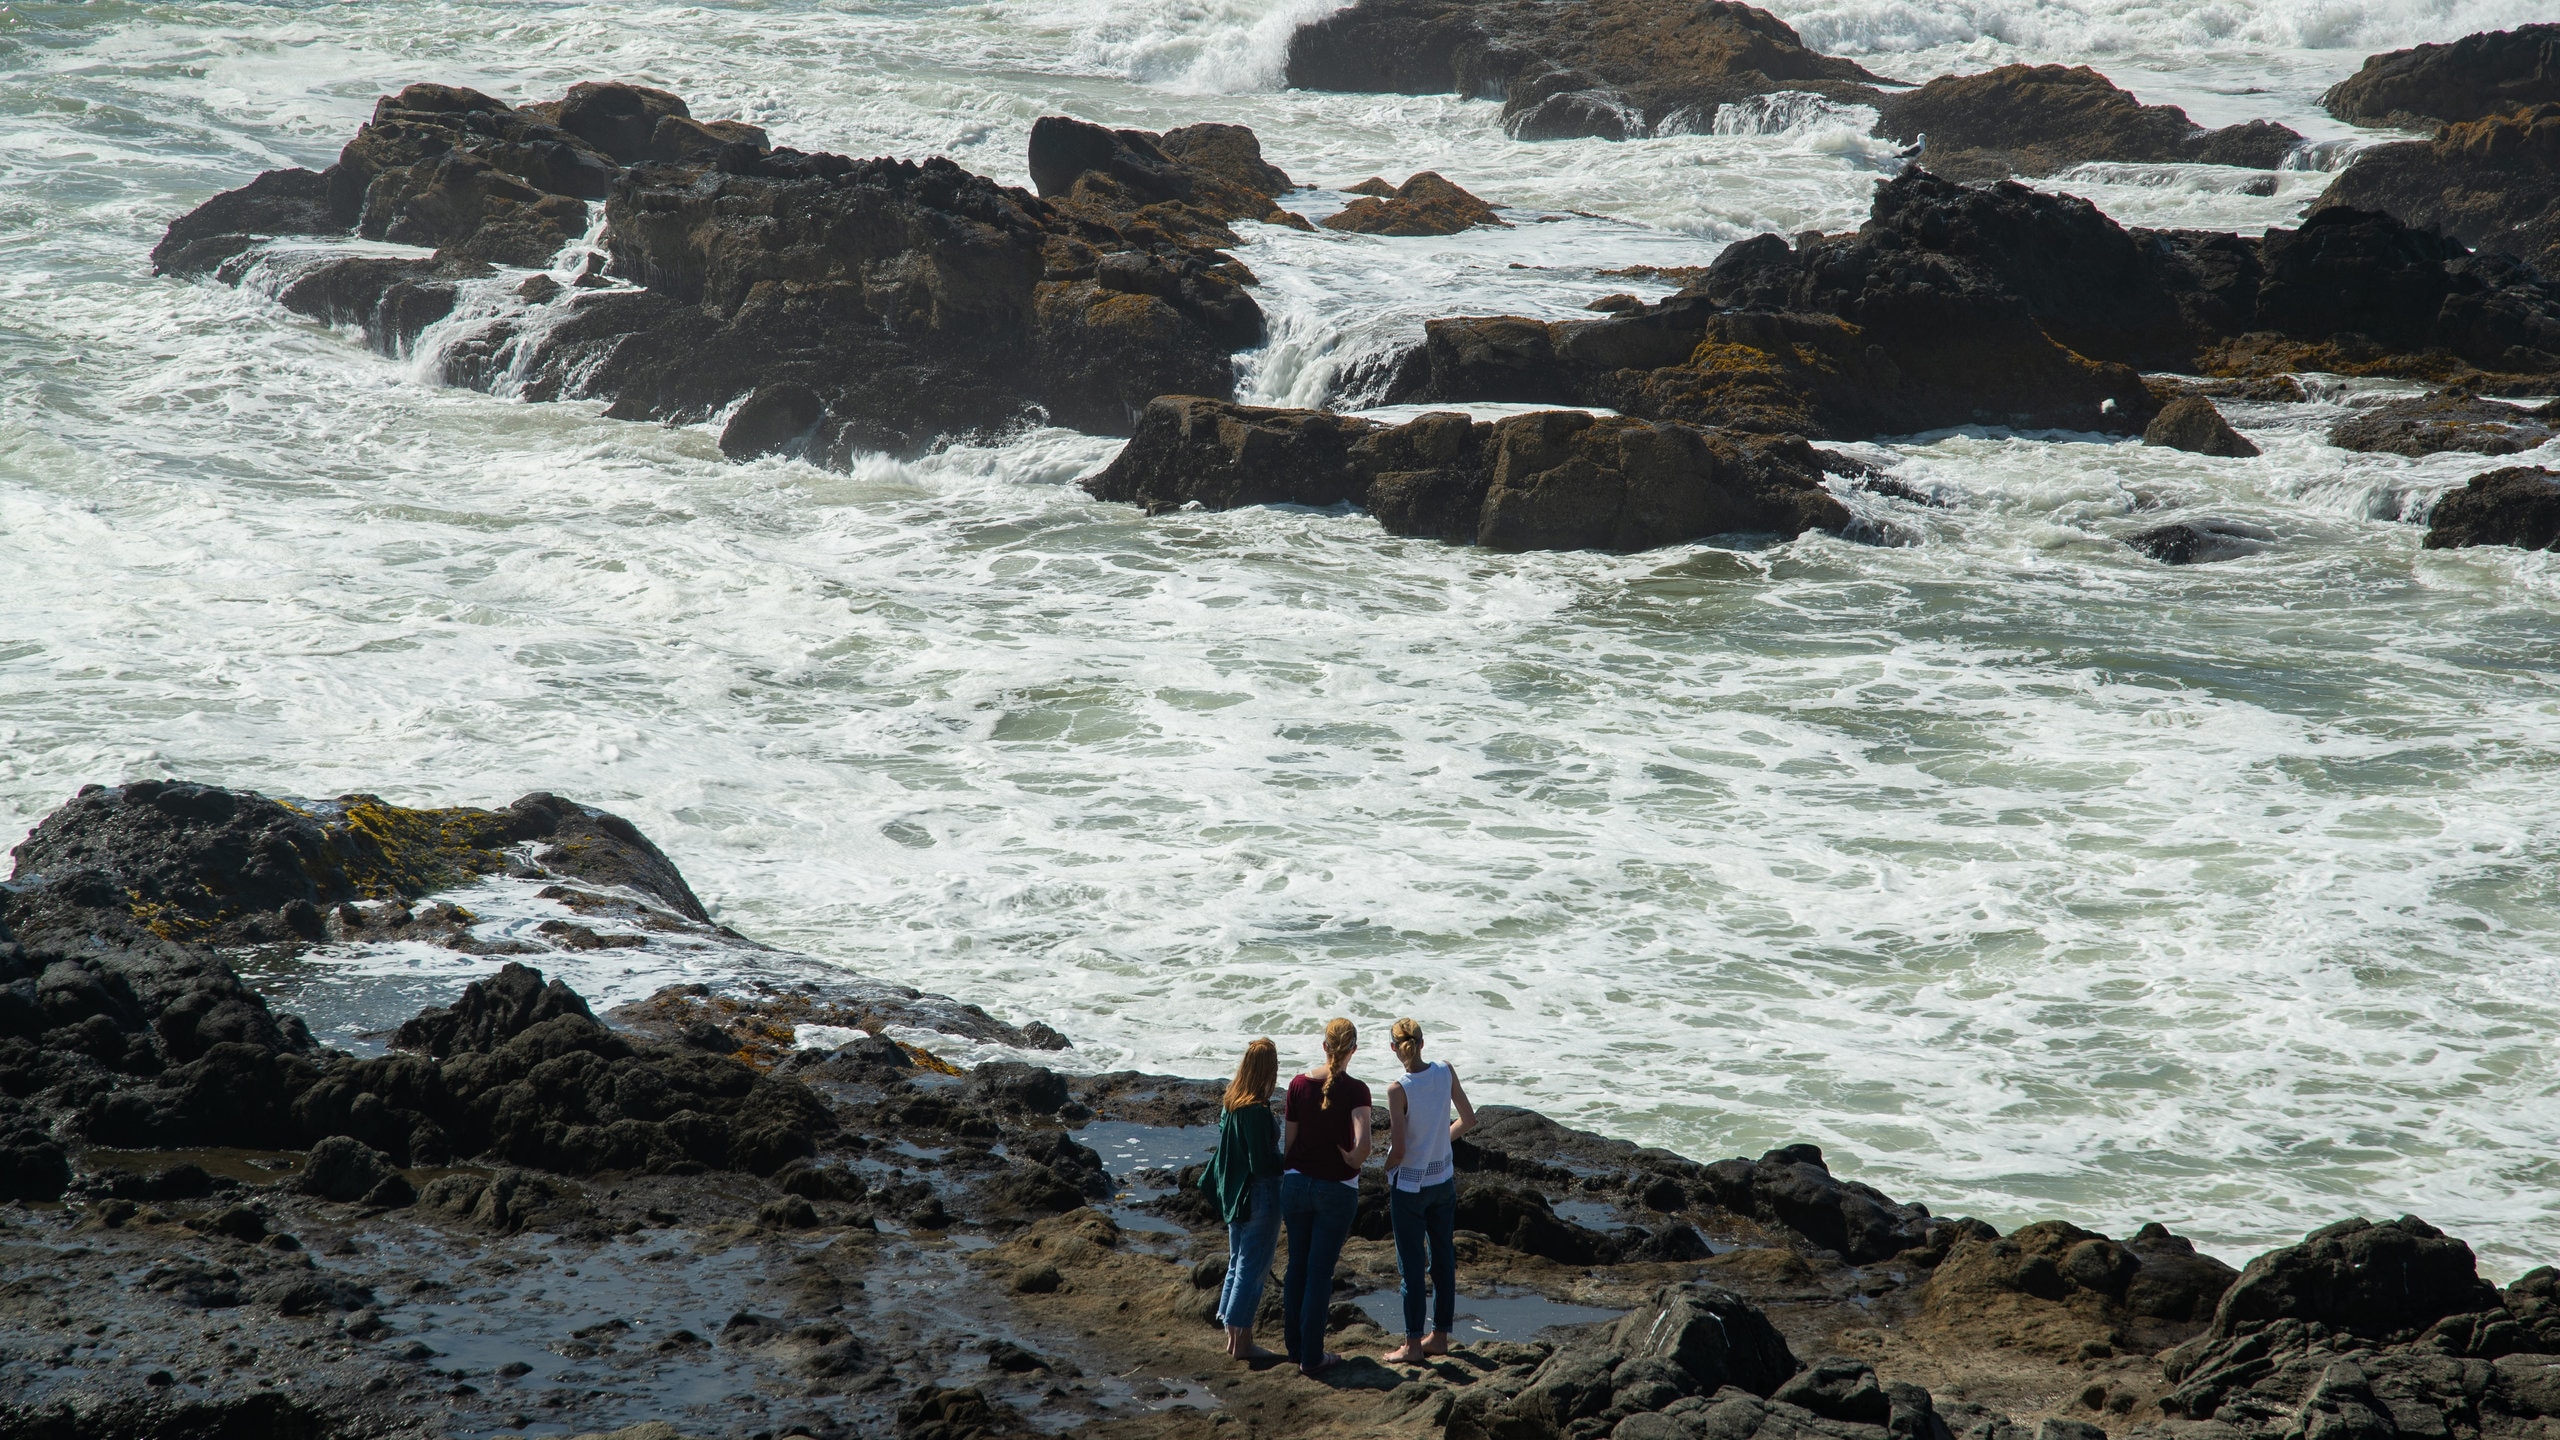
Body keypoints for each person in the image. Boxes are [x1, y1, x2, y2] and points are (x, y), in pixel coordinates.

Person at [1378, 1016, 1475, 1363]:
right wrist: (1439, 1141)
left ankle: (1413, 1345)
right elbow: (1469, 1118)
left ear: (1394, 1048)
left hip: (1409, 1188)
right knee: (1443, 1260)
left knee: (1411, 1267)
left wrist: (1382, 1168)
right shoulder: (1444, 1070)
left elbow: (1399, 1150)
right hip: (1443, 1182)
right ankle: (1441, 1337)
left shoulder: (1398, 1089)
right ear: (1423, 1043)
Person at [1279, 1017, 1370, 1377]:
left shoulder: (1298, 1085)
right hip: (1336, 1190)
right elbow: (1363, 1147)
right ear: (1353, 1051)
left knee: (1296, 1267)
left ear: (1324, 1047)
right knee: (1319, 1274)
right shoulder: (1358, 1090)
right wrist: (1350, 1159)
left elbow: (1288, 1146)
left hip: (1297, 1186)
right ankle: (1312, 1357)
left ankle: (1295, 1348)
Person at [1199, 1037, 1285, 1361]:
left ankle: (1233, 1338)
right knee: (1254, 1267)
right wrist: (1295, 1161)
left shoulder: (1231, 1103)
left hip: (1235, 1194)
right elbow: (1263, 1164)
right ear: (1268, 1069)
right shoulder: (1257, 1111)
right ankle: (1244, 1343)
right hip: (1260, 1195)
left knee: (1237, 1262)